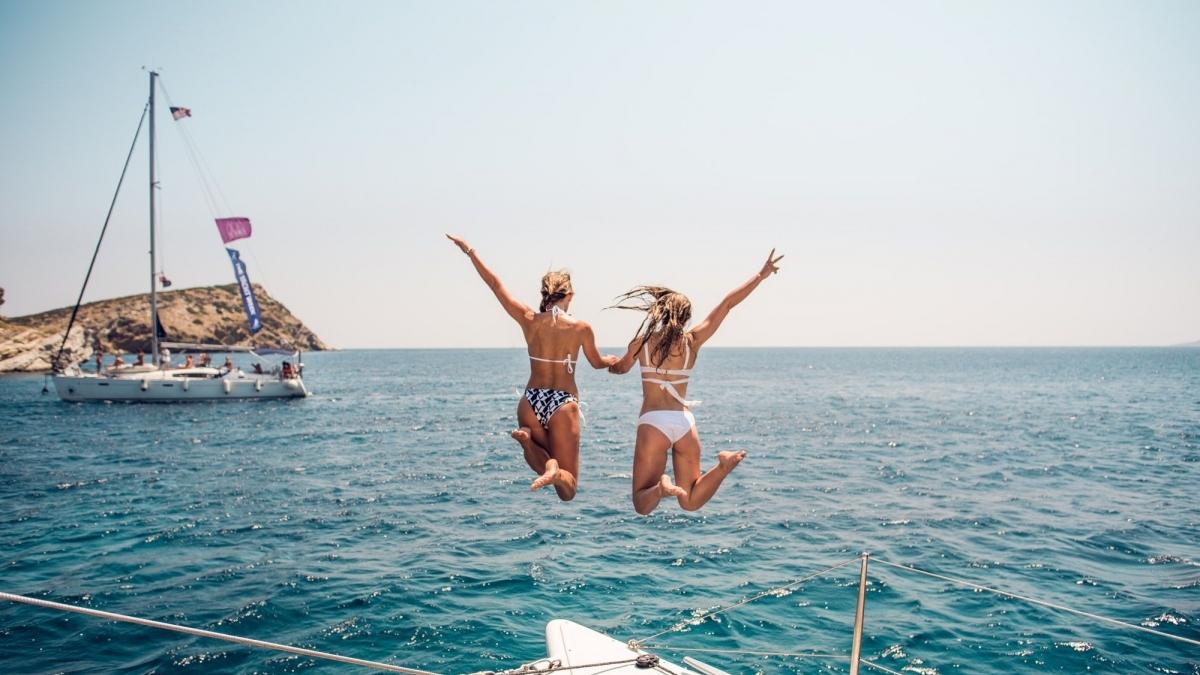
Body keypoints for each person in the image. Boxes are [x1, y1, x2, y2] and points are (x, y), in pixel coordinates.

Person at [607, 249, 784, 515]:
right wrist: (761, 275)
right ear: (686, 316)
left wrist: (607, 363)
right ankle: (723, 466)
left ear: (660, 312)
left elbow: (620, 369)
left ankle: (660, 488)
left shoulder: (641, 343)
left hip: (654, 422)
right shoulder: (692, 342)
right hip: (684, 423)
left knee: (642, 503)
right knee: (689, 502)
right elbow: (727, 304)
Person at [447, 234, 618, 500]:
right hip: (562, 403)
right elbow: (597, 363)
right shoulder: (580, 328)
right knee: (568, 489)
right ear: (569, 295)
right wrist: (612, 361)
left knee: (547, 458)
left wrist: (470, 251)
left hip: (531, 401)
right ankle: (553, 470)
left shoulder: (529, 319)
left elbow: (495, 285)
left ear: (545, 293)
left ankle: (530, 443)